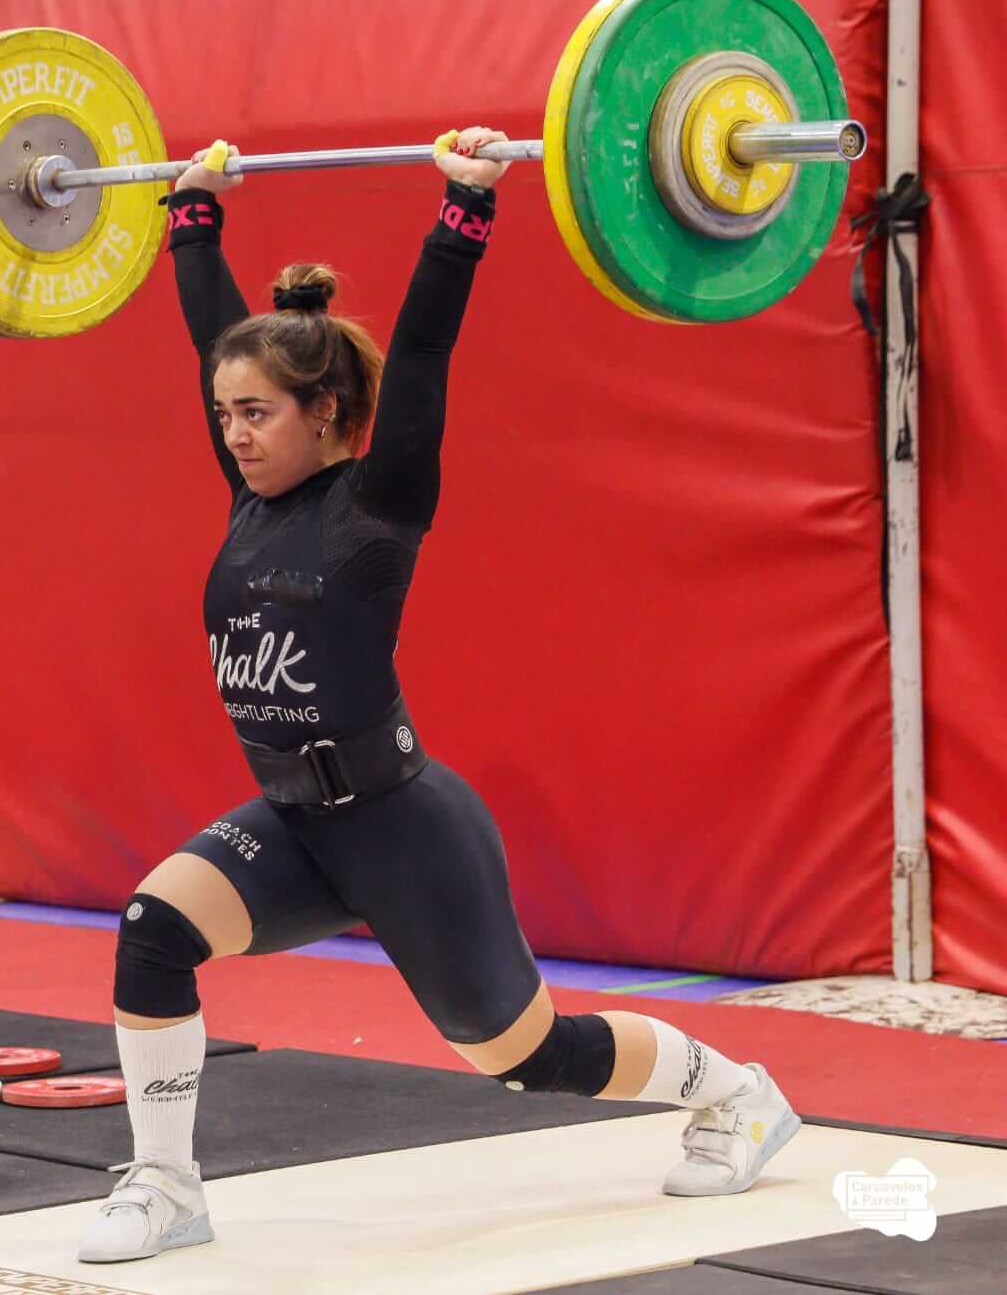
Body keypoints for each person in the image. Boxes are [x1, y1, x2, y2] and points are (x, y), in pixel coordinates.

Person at [77, 130, 800, 1263]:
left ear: (322, 413)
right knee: (151, 931)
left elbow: (420, 357)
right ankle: (166, 1188)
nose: (232, 432)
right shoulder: (248, 499)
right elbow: (211, 343)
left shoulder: (379, 505)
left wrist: (462, 210)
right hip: (297, 822)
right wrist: (190, 214)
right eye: (224, 414)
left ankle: (737, 1092)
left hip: (404, 826)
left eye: (255, 414)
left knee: (523, 1057)